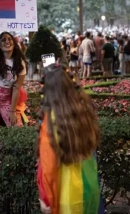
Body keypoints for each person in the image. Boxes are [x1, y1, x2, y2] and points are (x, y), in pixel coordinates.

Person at [37, 63, 104, 214]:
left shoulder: (50, 122)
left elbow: (48, 166)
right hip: (90, 187)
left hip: (65, 196)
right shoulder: (85, 112)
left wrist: (46, 199)